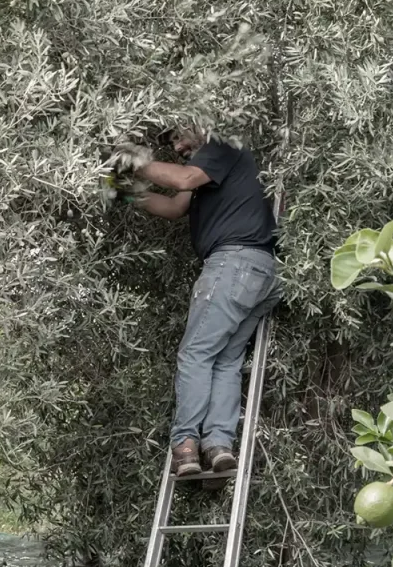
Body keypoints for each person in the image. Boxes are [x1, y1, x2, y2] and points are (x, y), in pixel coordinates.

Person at [108, 126, 280, 479]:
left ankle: (186, 444)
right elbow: (173, 206)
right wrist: (118, 191)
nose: (179, 146)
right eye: (171, 143)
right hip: (262, 272)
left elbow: (183, 180)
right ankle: (218, 445)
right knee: (226, 359)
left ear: (202, 125)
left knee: (195, 354)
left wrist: (127, 158)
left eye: (181, 136)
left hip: (234, 264)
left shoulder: (223, 146)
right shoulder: (208, 172)